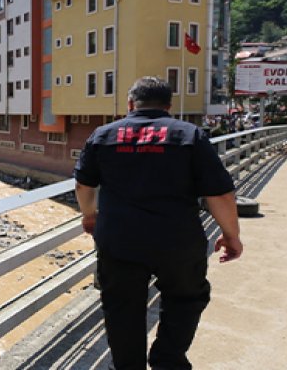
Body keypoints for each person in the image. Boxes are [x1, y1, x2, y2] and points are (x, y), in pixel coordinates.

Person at [74, 77, 242, 370]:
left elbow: (84, 186)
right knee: (186, 300)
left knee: (122, 308)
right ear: (168, 106)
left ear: (130, 105)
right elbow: (220, 193)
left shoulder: (103, 135)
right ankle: (167, 359)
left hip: (119, 240)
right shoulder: (190, 135)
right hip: (177, 241)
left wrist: (90, 215)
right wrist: (231, 235)